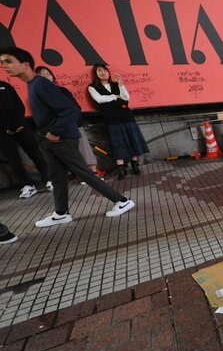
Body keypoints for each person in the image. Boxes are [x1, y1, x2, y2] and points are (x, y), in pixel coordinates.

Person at [0, 47, 135, 227]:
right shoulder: (33, 84)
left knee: (84, 173)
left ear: (25, 64)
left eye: (8, 61)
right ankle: (61, 213)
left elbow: (68, 109)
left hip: (61, 139)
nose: (4, 66)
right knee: (56, 177)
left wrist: (55, 132)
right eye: (2, 63)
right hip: (50, 140)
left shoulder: (41, 84)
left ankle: (122, 201)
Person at [35, 66, 102, 180]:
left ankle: (94, 173)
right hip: (59, 129)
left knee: (84, 147)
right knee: (71, 153)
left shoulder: (62, 90)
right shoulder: (38, 94)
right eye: (42, 74)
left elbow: (74, 106)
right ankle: (81, 176)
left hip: (74, 123)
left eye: (48, 73)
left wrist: (72, 118)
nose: (47, 76)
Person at [87, 64, 149, 180]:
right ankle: (121, 169)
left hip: (126, 116)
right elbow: (99, 99)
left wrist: (121, 85)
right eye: (99, 71)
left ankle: (134, 165)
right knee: (117, 145)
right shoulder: (92, 87)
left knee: (131, 140)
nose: (103, 73)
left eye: (105, 70)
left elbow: (126, 98)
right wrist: (115, 97)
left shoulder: (116, 84)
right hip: (111, 119)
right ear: (95, 74)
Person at [0, 79, 52, 198]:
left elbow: (18, 105)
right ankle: (26, 185)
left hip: (21, 127)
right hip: (3, 133)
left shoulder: (5, 86)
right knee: (13, 160)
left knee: (35, 153)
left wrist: (18, 124)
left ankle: (49, 179)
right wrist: (5, 128)